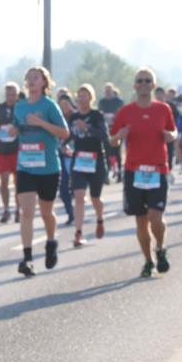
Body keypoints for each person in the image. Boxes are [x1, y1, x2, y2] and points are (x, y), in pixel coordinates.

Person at [110, 68, 177, 278]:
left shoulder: (163, 109)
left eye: (148, 81)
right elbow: (112, 140)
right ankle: (148, 261)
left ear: (153, 85)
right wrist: (119, 136)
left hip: (158, 169)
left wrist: (171, 135)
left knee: (155, 216)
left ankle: (161, 248)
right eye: (140, 81)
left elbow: (173, 130)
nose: (144, 84)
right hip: (134, 171)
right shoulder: (126, 111)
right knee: (141, 220)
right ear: (134, 85)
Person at [14, 66, 70, 277]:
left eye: (36, 77)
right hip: (25, 167)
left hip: (48, 167)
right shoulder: (19, 107)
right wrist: (12, 130)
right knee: (26, 212)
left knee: (46, 212)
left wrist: (40, 122)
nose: (31, 80)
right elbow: (16, 128)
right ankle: (27, 258)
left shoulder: (50, 105)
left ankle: (51, 242)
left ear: (44, 82)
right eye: (29, 77)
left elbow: (64, 133)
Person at [68, 84, 108, 247]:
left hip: (96, 160)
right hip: (79, 161)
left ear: (91, 98)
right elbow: (69, 136)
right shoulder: (73, 117)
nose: (81, 99)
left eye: (85, 96)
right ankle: (78, 233)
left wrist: (87, 127)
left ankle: (100, 219)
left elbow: (103, 136)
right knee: (79, 196)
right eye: (79, 96)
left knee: (95, 197)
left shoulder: (97, 115)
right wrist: (63, 145)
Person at [0, 82, 21, 223]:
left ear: (17, 95)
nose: (11, 97)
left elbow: (26, 125)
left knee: (18, 182)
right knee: (4, 179)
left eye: (13, 95)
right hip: (2, 150)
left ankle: (18, 209)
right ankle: (6, 209)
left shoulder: (21, 107)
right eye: (8, 95)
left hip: (18, 150)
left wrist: (18, 129)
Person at [56, 94, 77, 226]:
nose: (64, 107)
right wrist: (61, 147)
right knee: (63, 188)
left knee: (77, 188)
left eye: (66, 104)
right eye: (61, 105)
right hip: (62, 156)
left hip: (78, 156)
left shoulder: (77, 117)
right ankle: (70, 213)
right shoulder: (56, 119)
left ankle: (78, 210)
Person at [99, 83, 124, 182]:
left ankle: (119, 173)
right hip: (106, 130)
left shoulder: (119, 101)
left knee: (117, 152)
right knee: (107, 151)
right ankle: (107, 174)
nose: (108, 92)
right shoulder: (102, 102)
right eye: (106, 91)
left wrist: (115, 116)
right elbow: (99, 113)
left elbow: (122, 113)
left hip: (117, 129)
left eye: (109, 90)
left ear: (113, 91)